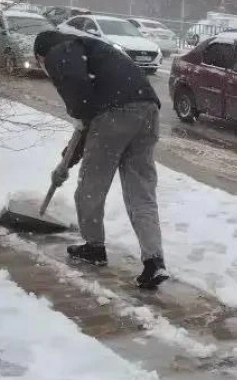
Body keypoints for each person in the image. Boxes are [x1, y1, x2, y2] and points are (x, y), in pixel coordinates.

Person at [34, 30, 169, 289]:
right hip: (148, 110)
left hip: (116, 113)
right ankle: (154, 260)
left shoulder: (60, 51)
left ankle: (94, 247)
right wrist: (67, 160)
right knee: (141, 194)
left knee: (90, 188)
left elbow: (84, 103)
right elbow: (88, 122)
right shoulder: (93, 49)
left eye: (41, 63)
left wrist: (79, 110)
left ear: (41, 56)